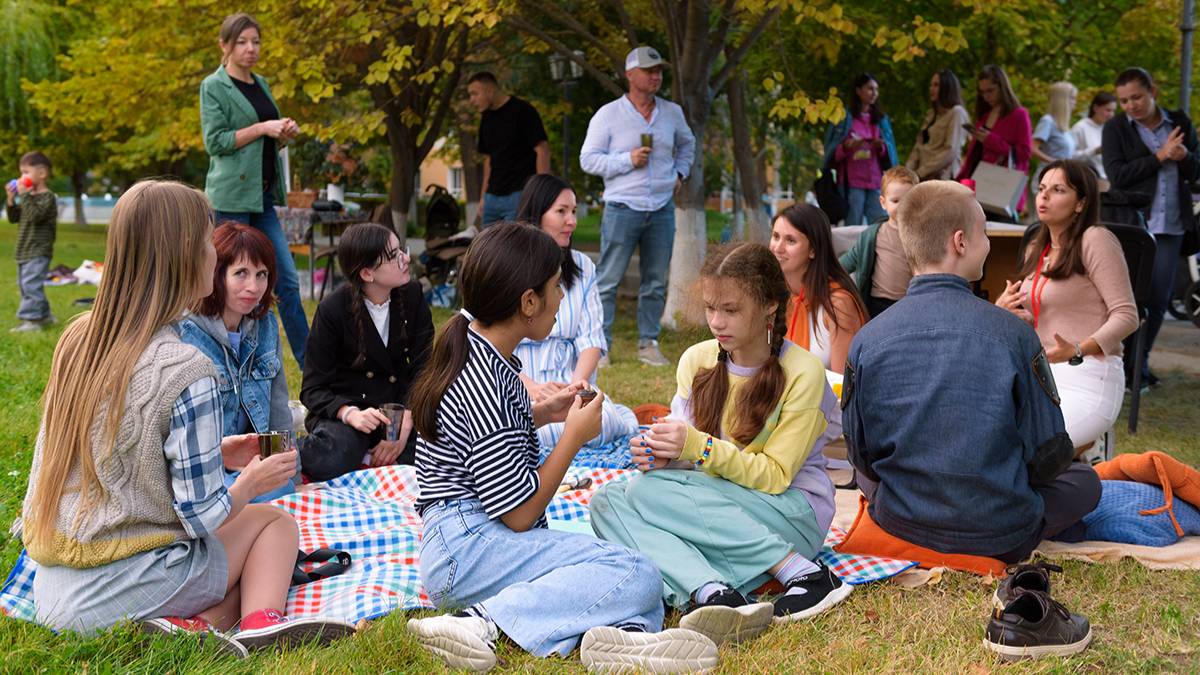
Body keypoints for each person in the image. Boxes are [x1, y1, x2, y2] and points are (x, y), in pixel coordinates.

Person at [20, 180, 353, 653]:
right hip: (131, 582)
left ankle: (191, 629)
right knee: (274, 525)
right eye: (205, 242)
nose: (213, 256)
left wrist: (217, 452)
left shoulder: (78, 339)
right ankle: (261, 625)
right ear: (181, 257)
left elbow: (111, 453)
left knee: (247, 559)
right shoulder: (184, 368)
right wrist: (250, 484)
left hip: (55, 588)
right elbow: (203, 517)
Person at [406, 222, 717, 673]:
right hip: (467, 549)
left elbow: (477, 437)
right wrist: (571, 437)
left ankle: (621, 639)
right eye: (556, 288)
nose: (562, 299)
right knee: (633, 572)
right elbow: (519, 516)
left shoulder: (482, 353)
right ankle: (478, 623)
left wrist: (545, 414)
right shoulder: (484, 380)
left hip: (467, 544)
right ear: (528, 302)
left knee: (623, 576)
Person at [590, 242, 851, 647]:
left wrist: (695, 447)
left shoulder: (803, 372)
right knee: (607, 501)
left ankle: (803, 572)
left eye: (730, 310)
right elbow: (689, 467)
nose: (716, 321)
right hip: (718, 508)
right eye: (711, 308)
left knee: (642, 493)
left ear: (768, 307)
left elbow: (776, 477)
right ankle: (714, 593)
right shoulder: (697, 360)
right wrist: (661, 455)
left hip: (792, 514)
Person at [843, 180, 1100, 563]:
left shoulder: (866, 339)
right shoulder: (1014, 334)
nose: (989, 243)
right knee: (1085, 481)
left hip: (903, 520)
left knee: (869, 479)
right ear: (960, 242)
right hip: (1000, 532)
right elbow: (1048, 455)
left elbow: (861, 457)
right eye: (984, 232)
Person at [995, 159, 1137, 459]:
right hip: (1041, 377)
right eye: (1042, 188)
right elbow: (1043, 315)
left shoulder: (1095, 240)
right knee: (992, 445)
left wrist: (1077, 349)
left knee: (1031, 454)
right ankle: (1079, 456)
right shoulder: (1038, 245)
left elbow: (1126, 315)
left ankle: (1086, 451)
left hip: (1088, 375)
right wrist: (1004, 308)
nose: (1044, 197)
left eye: (1058, 190)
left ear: (1080, 203)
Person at [200, 13, 307, 366]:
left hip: (262, 198)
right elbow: (216, 142)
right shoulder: (214, 86)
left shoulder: (261, 83)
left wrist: (281, 134)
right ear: (224, 46)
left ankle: (313, 366)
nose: (250, 49)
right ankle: (221, 356)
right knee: (226, 282)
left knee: (287, 281)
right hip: (230, 199)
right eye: (242, 42)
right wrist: (263, 128)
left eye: (256, 42)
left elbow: (261, 144)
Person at [580, 45, 697, 367]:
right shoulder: (608, 114)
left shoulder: (672, 113)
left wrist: (680, 173)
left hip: (661, 208)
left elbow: (688, 145)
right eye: (649, 71)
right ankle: (599, 347)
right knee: (608, 280)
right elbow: (587, 159)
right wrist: (626, 160)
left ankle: (649, 343)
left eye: (659, 70)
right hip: (622, 206)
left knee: (656, 281)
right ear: (630, 75)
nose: (656, 76)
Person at [298, 223, 434, 481]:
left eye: (401, 250)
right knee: (332, 458)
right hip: (350, 414)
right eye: (394, 256)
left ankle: (375, 458)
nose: (406, 259)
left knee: (439, 447)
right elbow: (312, 389)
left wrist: (404, 425)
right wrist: (349, 414)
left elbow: (425, 368)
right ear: (367, 273)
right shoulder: (333, 310)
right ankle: (356, 455)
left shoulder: (413, 295)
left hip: (401, 409)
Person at [514, 174, 638, 447]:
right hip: (517, 384)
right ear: (537, 214)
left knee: (604, 421)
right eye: (561, 212)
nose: (572, 221)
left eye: (573, 211)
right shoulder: (508, 266)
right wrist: (532, 388)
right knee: (532, 430)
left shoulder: (583, 268)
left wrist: (575, 390)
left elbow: (591, 340)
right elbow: (487, 345)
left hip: (568, 382)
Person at [180, 222, 299, 503]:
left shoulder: (266, 324)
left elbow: (278, 408)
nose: (254, 287)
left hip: (249, 465)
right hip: (203, 466)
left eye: (262, 275)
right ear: (216, 275)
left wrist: (290, 475)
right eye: (241, 273)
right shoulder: (186, 332)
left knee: (280, 490)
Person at [1102, 66, 1200, 387]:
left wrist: (1183, 155)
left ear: (1152, 91)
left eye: (1137, 97)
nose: (1131, 105)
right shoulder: (1116, 128)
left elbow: (1196, 171)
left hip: (1170, 226)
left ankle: (1138, 367)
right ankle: (1122, 366)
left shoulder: (1180, 122)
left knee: (1157, 300)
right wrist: (1160, 156)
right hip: (1132, 225)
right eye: (1124, 100)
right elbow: (1118, 176)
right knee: (1127, 299)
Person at [770, 204, 866, 373]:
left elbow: (843, 386)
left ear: (813, 250)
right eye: (776, 236)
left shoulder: (837, 304)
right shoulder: (773, 295)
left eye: (790, 240)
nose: (778, 248)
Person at [467, 72, 550, 226]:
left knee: (515, 248)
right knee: (488, 248)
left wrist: (541, 192)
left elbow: (542, 150)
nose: (471, 101)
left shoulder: (523, 111)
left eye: (474, 94)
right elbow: (488, 160)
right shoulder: (486, 118)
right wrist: (483, 196)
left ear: (490, 91)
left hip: (520, 195)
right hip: (492, 198)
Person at [839, 166, 919, 318]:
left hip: (911, 303)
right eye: (895, 201)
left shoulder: (922, 235)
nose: (902, 206)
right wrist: (823, 276)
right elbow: (843, 265)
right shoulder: (872, 236)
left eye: (908, 200)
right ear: (883, 203)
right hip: (878, 304)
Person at [822, 73, 898, 225]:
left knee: (880, 225)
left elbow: (889, 155)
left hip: (875, 181)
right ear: (858, 90)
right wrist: (846, 146)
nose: (874, 93)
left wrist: (881, 146)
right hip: (852, 183)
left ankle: (877, 250)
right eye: (870, 89)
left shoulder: (881, 119)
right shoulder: (844, 118)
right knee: (853, 227)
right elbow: (831, 154)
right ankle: (856, 250)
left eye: (876, 89)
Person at [957, 64, 1033, 212]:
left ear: (1002, 87)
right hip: (974, 185)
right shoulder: (984, 116)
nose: (986, 96)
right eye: (982, 92)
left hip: (1000, 189)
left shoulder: (1019, 115)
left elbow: (1024, 153)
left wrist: (991, 140)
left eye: (990, 91)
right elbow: (974, 155)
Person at [5, 151, 57, 333]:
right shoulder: (29, 197)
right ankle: (45, 315)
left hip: (39, 249)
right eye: (21, 173)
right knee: (26, 285)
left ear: (41, 173)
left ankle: (32, 321)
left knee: (31, 285)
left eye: (26, 172)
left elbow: (36, 216)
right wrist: (11, 200)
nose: (22, 177)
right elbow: (14, 218)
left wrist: (25, 195)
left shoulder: (48, 197)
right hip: (24, 248)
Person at [905, 69, 970, 181]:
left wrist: (920, 172)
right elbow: (918, 147)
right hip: (923, 178)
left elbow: (950, 151)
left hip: (942, 179)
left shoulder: (957, 113)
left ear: (947, 88)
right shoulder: (931, 114)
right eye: (931, 85)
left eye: (936, 85)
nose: (931, 89)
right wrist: (906, 173)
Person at [1032, 82, 1079, 172]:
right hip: (1047, 177)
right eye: (1072, 98)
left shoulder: (1063, 126)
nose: (1075, 102)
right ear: (1062, 100)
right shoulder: (1048, 121)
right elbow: (1032, 148)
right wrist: (1055, 162)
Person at [1071, 91, 1117, 180]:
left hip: (1110, 179)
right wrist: (1095, 151)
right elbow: (1070, 157)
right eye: (1108, 110)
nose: (1111, 114)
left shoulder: (1109, 129)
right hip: (1089, 180)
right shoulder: (1080, 127)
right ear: (1096, 108)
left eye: (1113, 111)